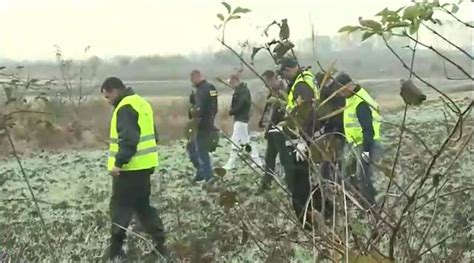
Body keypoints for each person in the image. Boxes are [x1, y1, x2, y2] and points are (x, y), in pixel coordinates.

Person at [101, 77, 168, 260]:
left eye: (108, 97)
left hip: (129, 170)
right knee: (142, 206)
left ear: (115, 90)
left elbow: (129, 140)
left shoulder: (124, 108)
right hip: (144, 167)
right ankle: (160, 242)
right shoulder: (141, 103)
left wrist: (118, 163)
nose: (108, 101)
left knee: (120, 208)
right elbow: (154, 135)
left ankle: (115, 249)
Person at [279, 57, 333, 224]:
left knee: (299, 183)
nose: (284, 77)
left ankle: (308, 220)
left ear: (290, 69)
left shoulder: (301, 84)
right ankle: (324, 213)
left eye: (285, 73)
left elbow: (309, 113)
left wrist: (302, 140)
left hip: (303, 138)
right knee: (305, 181)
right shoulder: (306, 79)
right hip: (305, 136)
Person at [336, 72, 382, 207]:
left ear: (350, 85)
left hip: (366, 143)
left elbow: (368, 128)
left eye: (341, 89)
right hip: (354, 143)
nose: (340, 93)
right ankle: (358, 201)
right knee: (347, 173)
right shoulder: (350, 98)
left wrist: (367, 150)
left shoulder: (360, 102)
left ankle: (371, 205)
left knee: (363, 176)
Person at [258, 70, 292, 190]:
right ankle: (266, 183)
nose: (266, 85)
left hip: (281, 130)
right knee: (269, 158)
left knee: (284, 159)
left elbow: (287, 110)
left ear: (274, 79)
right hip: (272, 130)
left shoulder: (284, 92)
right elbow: (268, 110)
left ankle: (290, 184)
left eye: (267, 82)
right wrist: (263, 123)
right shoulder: (271, 94)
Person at [223, 73, 263, 170]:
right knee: (246, 141)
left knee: (235, 140)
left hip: (241, 118)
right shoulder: (241, 90)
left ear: (236, 81)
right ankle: (257, 161)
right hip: (241, 118)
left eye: (232, 83)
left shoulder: (242, 91)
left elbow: (242, 103)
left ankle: (231, 163)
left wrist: (232, 111)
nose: (231, 85)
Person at [190, 70, 218, 182]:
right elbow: (215, 107)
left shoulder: (202, 90)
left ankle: (208, 176)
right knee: (193, 148)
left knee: (201, 151)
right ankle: (201, 172)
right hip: (207, 122)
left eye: (192, 80)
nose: (192, 83)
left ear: (196, 77)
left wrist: (192, 111)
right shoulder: (210, 88)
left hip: (201, 124)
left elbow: (199, 109)